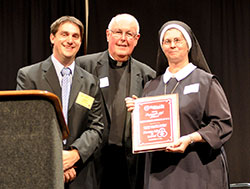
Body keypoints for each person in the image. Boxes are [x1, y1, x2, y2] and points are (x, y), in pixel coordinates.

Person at [125, 20, 233, 189]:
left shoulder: (205, 82)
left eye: (178, 40)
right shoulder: (151, 86)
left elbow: (222, 125)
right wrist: (138, 113)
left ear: (188, 45)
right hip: (159, 175)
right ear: (162, 46)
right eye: (167, 41)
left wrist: (190, 138)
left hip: (197, 170)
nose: (172, 45)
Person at [16, 16, 104, 189]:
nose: (70, 40)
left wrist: (75, 155)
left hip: (80, 173)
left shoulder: (90, 82)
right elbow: (26, 125)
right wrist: (58, 161)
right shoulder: (29, 77)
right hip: (41, 170)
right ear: (52, 37)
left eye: (75, 36)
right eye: (64, 34)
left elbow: (97, 128)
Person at [76, 13, 156, 189]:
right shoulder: (83, 66)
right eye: (118, 32)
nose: (123, 39)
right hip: (91, 161)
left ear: (137, 39)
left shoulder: (148, 75)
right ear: (107, 35)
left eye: (129, 34)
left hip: (130, 164)